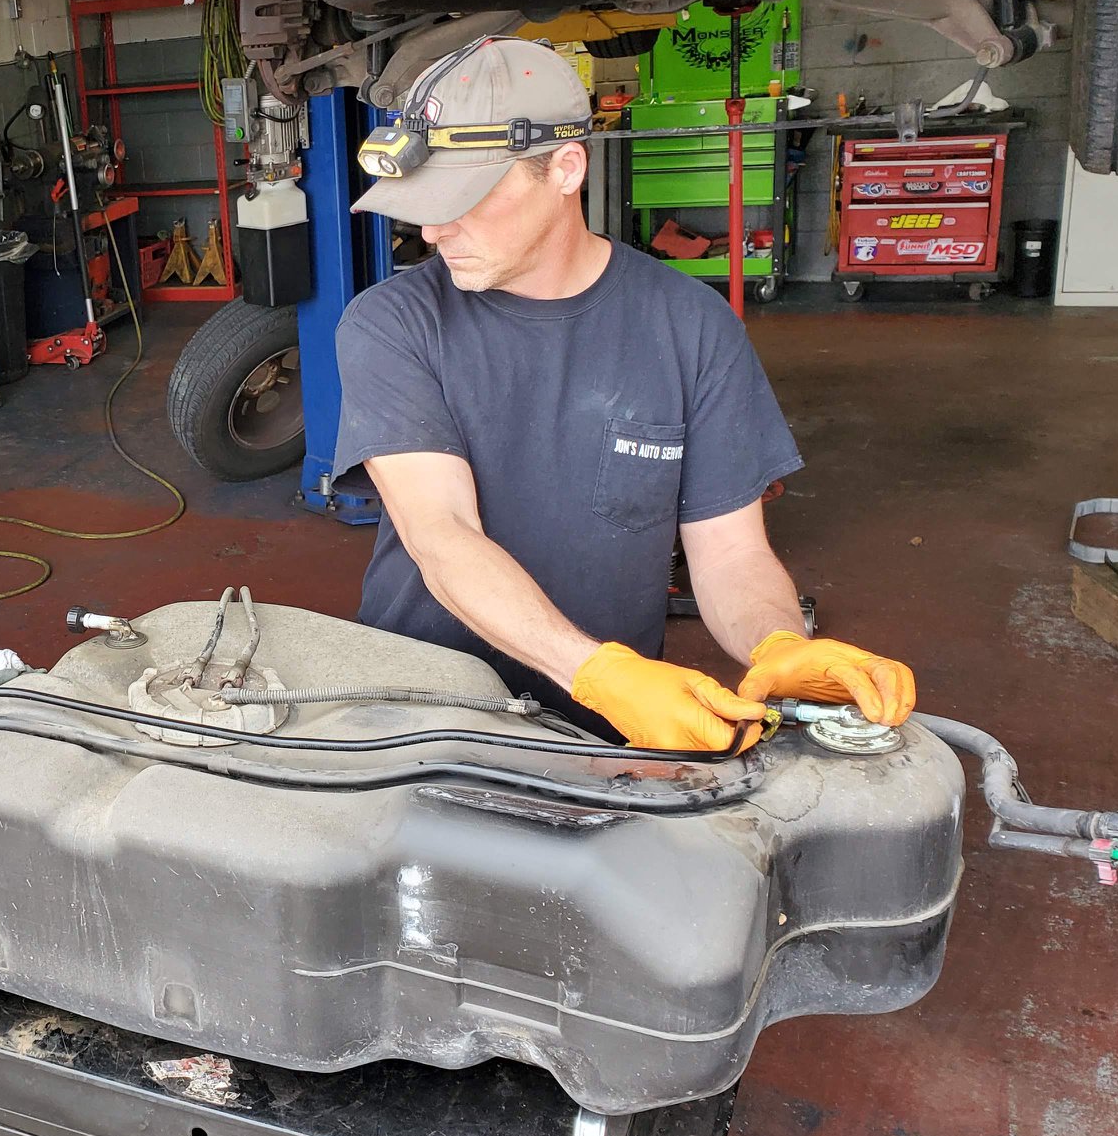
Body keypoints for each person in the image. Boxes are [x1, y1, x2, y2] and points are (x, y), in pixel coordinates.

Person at [335, 37, 913, 751]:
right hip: (418, 717)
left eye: (464, 197)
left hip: (607, 728)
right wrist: (598, 672)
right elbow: (441, 534)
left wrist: (779, 643)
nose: (432, 229)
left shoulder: (691, 327)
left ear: (565, 169)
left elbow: (730, 554)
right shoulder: (393, 323)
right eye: (424, 200)